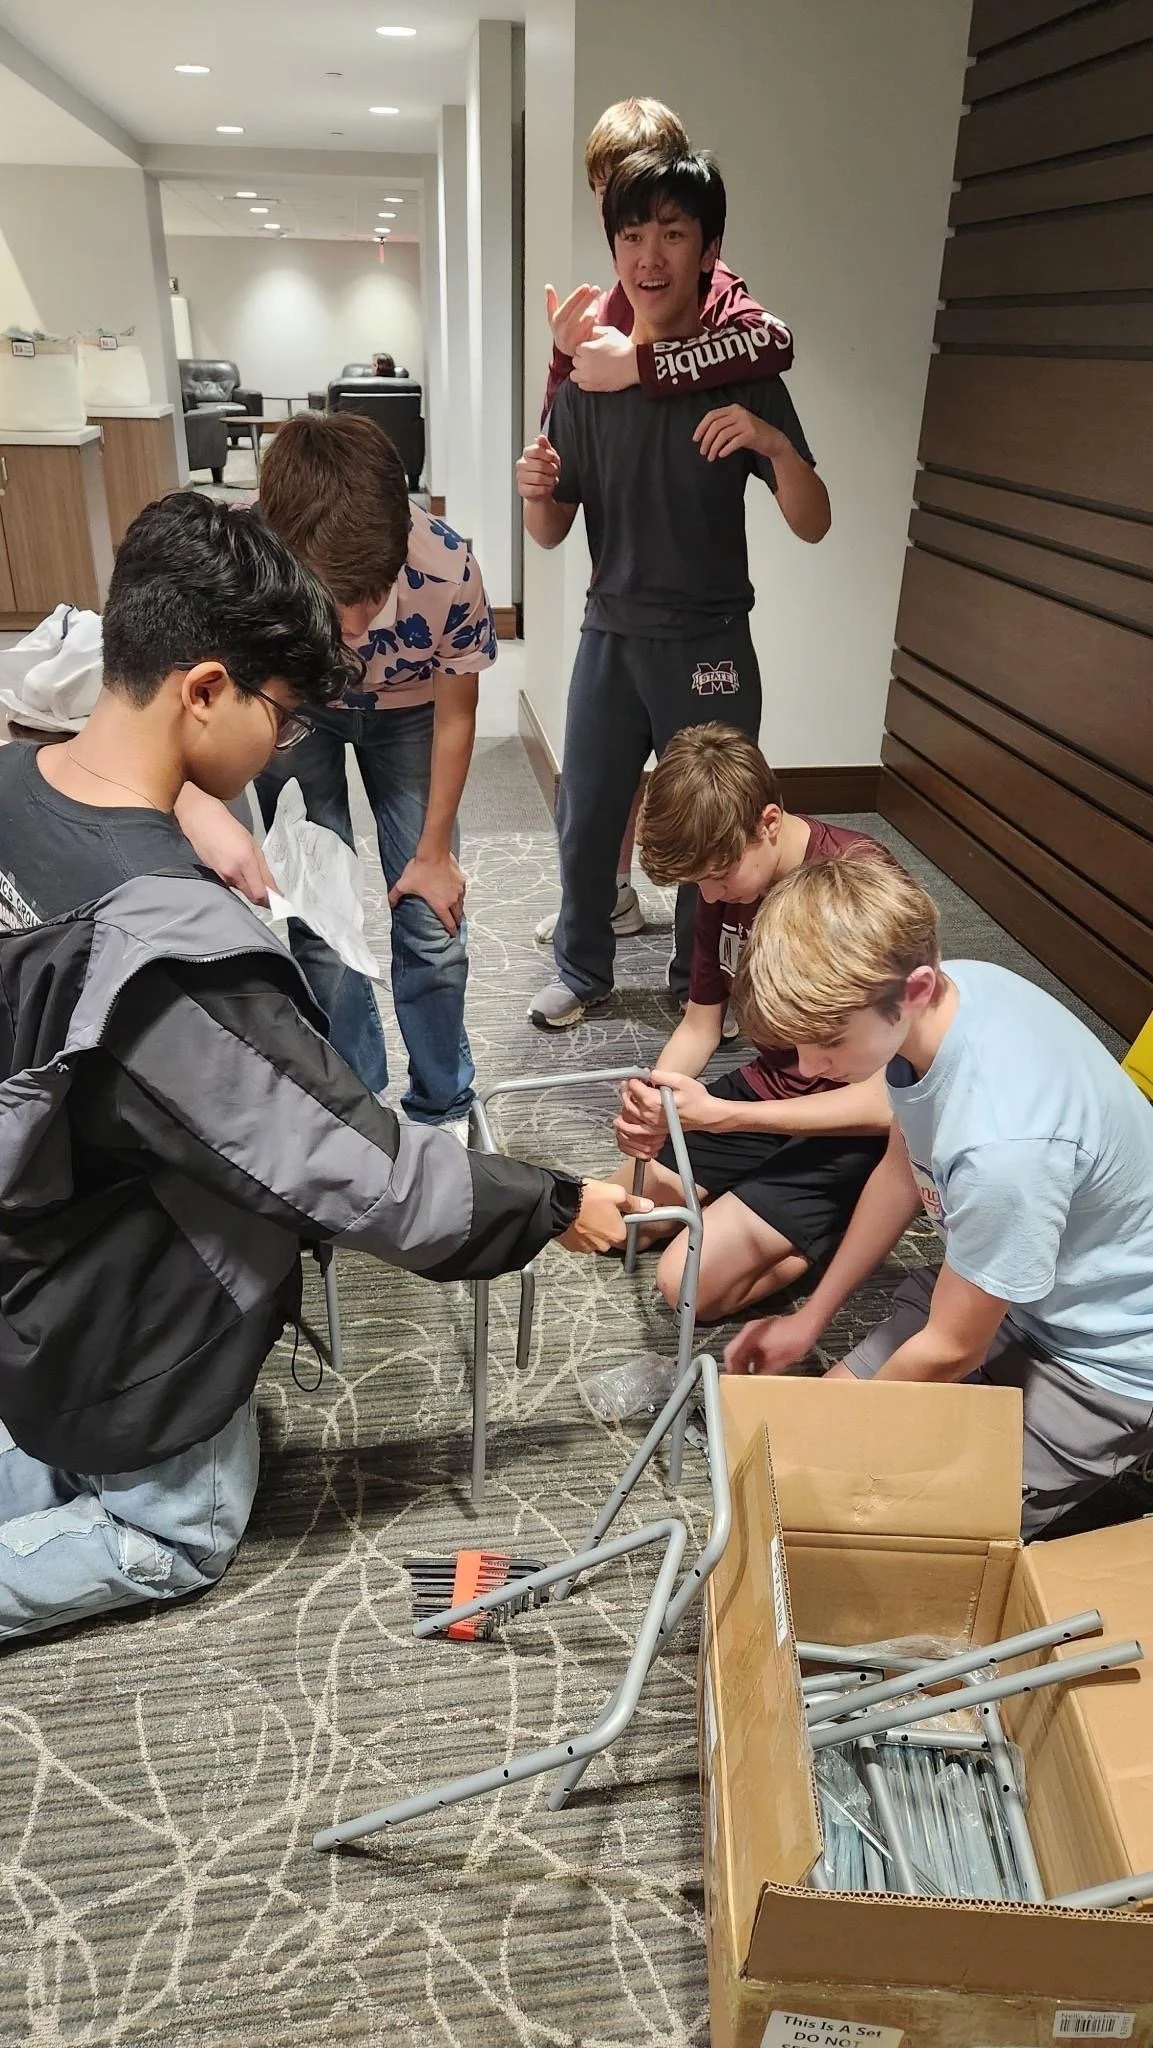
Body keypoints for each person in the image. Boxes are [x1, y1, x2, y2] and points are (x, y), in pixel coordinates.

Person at [0, 493, 648, 1647]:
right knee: (178, 1531)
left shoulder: (15, 785)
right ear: (204, 688)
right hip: (120, 1293)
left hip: (34, 1223)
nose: (285, 743)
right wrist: (553, 1201)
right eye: (283, 716)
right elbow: (353, 1167)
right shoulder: (171, 961)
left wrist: (186, 802)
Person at [724, 858, 1153, 1541]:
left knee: (881, 1527)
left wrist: (854, 1451)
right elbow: (903, 1168)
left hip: (1105, 1360)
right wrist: (812, 1319)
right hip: (1002, 1286)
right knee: (804, 1452)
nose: (807, 1069)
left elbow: (950, 1346)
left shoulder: (1002, 1144)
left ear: (914, 989)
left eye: (828, 1042)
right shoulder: (954, 995)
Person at [518, 148, 830, 1030]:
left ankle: (703, 982)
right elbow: (552, 529)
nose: (649, 255)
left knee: (716, 831)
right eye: (631, 234)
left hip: (708, 641)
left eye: (671, 232)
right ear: (613, 250)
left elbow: (813, 520)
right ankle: (581, 969)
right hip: (609, 636)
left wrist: (771, 447)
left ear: (707, 247)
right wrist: (535, 494)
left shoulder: (743, 374)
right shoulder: (583, 379)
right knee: (586, 815)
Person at [179, 412, 496, 1127]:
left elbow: (456, 714)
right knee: (319, 921)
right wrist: (200, 807)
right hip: (292, 708)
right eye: (332, 603)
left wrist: (435, 851)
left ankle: (441, 1107)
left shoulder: (447, 565)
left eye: (374, 594)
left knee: (432, 923)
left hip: (412, 712)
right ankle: (357, 1111)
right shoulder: (236, 555)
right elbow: (193, 691)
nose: (353, 627)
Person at [611, 724, 891, 1320]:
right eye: (698, 884)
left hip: (853, 1123)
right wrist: (654, 1102)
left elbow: (894, 1095)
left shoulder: (861, 884)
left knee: (681, 1284)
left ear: (768, 822)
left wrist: (728, 1117)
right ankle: (755, 1209)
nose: (710, 898)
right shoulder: (726, 881)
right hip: (771, 1089)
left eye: (718, 876)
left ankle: (847, 1216)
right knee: (624, 1214)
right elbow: (700, 1025)